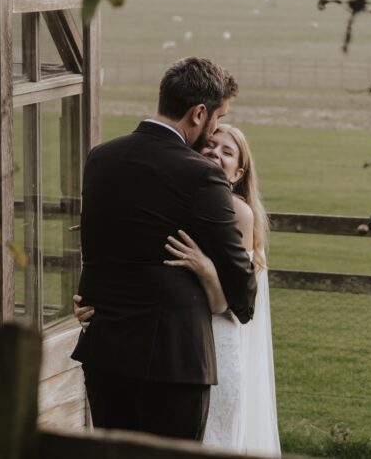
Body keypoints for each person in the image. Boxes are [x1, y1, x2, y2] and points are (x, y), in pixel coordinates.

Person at [70, 57, 257, 441]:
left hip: (105, 349)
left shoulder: (100, 158)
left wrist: (89, 299)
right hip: (173, 363)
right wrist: (223, 279)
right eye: (218, 118)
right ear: (198, 113)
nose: (216, 128)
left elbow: (98, 246)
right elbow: (241, 282)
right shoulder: (201, 174)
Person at [160, 125, 281, 455]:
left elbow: (229, 303)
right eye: (210, 145)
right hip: (184, 333)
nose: (215, 152)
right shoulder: (188, 199)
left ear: (238, 172)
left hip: (218, 336)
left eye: (227, 152)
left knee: (214, 434)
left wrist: (205, 267)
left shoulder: (238, 212)